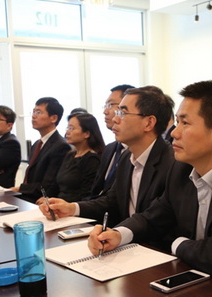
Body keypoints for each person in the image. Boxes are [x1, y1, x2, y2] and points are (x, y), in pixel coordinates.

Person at [87, 80, 212, 289]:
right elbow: (154, 216)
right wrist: (119, 234)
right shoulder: (182, 169)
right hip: (196, 281)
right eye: (177, 122)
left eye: (185, 123)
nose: (174, 132)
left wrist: (176, 242)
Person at [40, 86, 175, 239]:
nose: (115, 119)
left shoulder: (171, 163)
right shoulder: (126, 157)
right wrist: (72, 208)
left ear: (149, 123)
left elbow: (159, 218)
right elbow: (111, 201)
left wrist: (120, 234)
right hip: (128, 242)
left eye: (122, 113)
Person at [10, 97, 71, 203]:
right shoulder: (37, 144)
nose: (33, 116)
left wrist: (19, 188)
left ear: (53, 118)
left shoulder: (61, 146)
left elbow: (49, 185)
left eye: (38, 112)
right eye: (33, 112)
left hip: (41, 200)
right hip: (28, 197)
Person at [39, 113, 105, 203]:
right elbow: (56, 185)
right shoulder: (70, 155)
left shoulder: (92, 160)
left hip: (74, 207)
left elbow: (87, 196)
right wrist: (47, 198)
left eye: (71, 128)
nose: (67, 132)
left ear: (86, 134)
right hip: (59, 205)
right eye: (67, 128)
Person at [88, 84, 135, 198]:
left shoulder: (136, 151)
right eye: (105, 106)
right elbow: (97, 190)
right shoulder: (109, 149)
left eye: (110, 105)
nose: (105, 111)